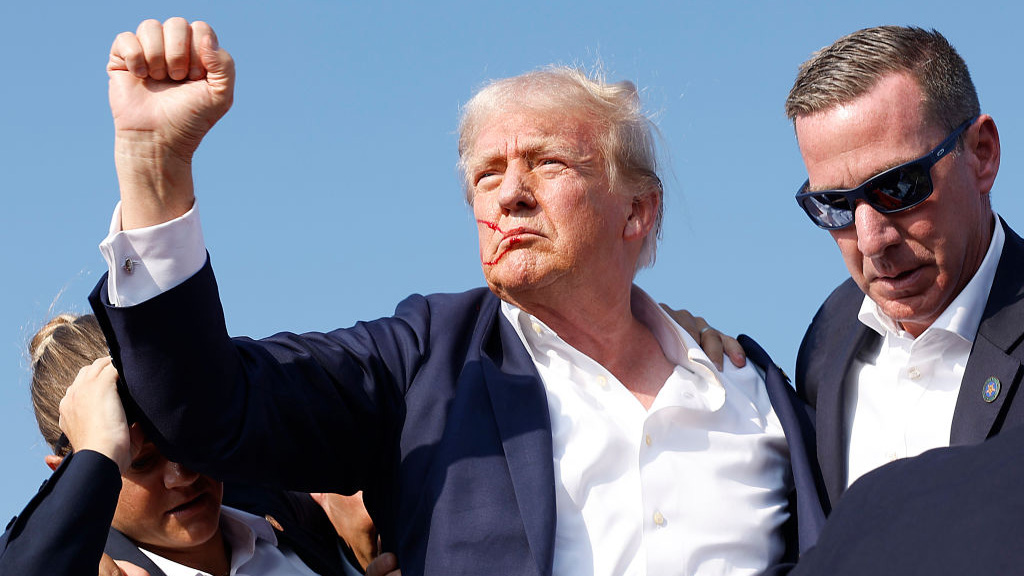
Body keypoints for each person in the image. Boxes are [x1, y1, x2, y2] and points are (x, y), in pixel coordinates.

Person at [88, 18, 826, 575]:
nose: (508, 194)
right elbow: (206, 405)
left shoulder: (758, 392)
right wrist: (155, 172)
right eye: (485, 174)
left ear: (638, 211)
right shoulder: (421, 367)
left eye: (546, 162)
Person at [785, 25, 1024, 508]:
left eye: (899, 187)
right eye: (833, 205)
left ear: (982, 153)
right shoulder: (825, 344)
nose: (872, 240)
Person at [0, 313, 384, 576]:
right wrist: (96, 456)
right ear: (68, 474)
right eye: (138, 461)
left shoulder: (299, 510)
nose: (181, 474)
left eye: (186, 440)